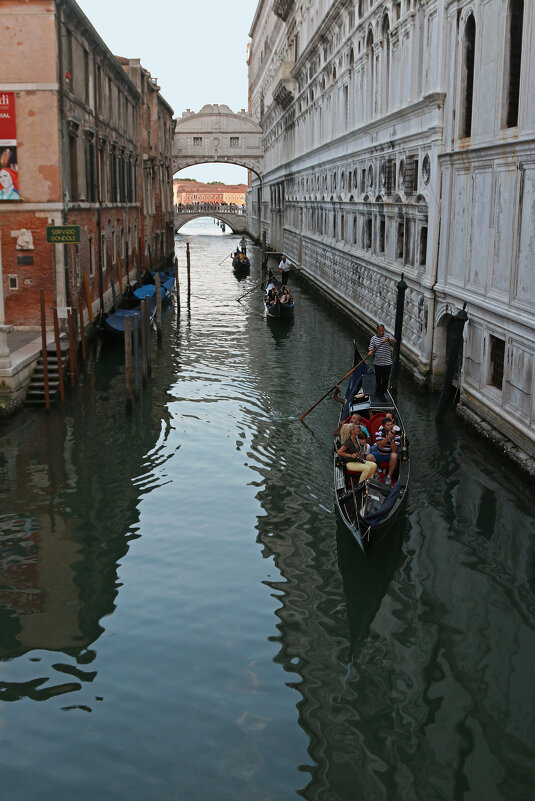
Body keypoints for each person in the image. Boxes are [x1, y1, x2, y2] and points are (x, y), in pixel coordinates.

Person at [368, 323, 396, 399]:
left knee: (385, 380)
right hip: (378, 363)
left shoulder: (387, 335)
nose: (381, 332)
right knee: (378, 379)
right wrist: (370, 352)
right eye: (379, 331)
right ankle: (378, 393)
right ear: (377, 330)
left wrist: (388, 339)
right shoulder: (373, 338)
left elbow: (395, 341)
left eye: (382, 331)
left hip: (387, 363)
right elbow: (370, 349)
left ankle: (383, 393)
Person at [372, 417, 400, 486]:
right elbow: (380, 445)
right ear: (383, 426)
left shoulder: (396, 434)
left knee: (394, 455)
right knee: (369, 457)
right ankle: (376, 473)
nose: (390, 427)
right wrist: (388, 437)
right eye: (388, 425)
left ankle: (389, 476)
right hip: (380, 453)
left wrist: (392, 439)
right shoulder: (378, 433)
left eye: (391, 425)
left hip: (389, 455)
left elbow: (394, 450)